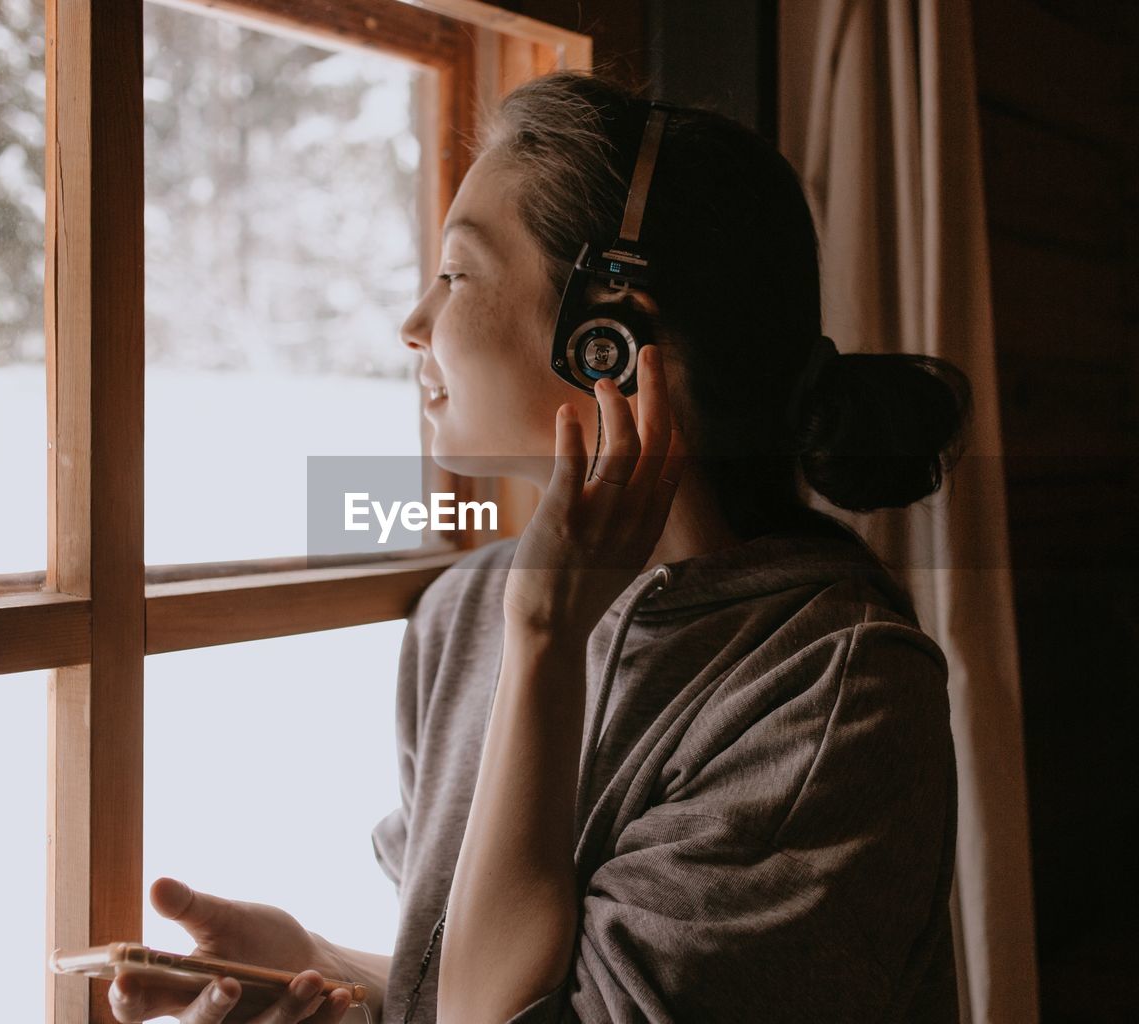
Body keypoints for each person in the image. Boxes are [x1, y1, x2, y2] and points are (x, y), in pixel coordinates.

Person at [109, 69, 973, 1024]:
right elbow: (486, 981)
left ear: (607, 339)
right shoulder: (468, 610)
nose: (414, 325)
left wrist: (548, 636)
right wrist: (324, 969)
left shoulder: (833, 694)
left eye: (456, 273)